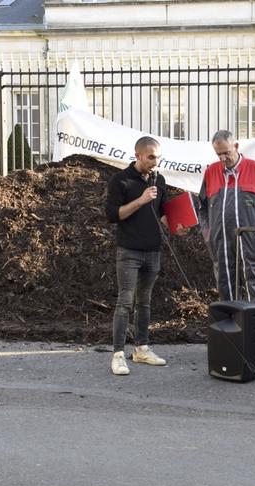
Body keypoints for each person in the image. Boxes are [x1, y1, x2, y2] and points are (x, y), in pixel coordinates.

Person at [198, 130, 255, 357]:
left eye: (226, 152)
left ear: (236, 145)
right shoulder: (211, 172)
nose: (223, 158)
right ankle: (232, 345)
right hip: (221, 243)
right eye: (218, 154)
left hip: (252, 241)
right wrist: (207, 232)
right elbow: (202, 207)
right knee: (227, 293)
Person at [105, 136, 170, 375]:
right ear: (138, 155)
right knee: (125, 302)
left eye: (158, 157)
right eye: (151, 157)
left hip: (152, 250)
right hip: (129, 251)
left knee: (145, 302)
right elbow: (113, 215)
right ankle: (118, 354)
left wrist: (178, 225)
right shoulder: (120, 181)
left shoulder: (159, 180)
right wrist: (140, 200)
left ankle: (141, 348)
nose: (155, 161)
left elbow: (162, 212)